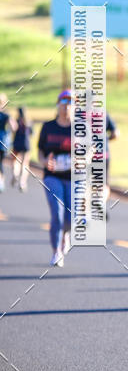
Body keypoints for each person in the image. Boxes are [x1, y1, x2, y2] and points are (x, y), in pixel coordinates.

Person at [38, 89, 72, 267]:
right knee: (57, 215)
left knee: (70, 218)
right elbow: (40, 151)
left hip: (75, 178)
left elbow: (90, 151)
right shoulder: (48, 126)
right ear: (58, 105)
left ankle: (65, 234)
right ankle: (56, 251)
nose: (66, 107)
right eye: (63, 103)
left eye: (70, 103)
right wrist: (45, 162)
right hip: (52, 177)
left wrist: (82, 159)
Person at [11, 106, 33, 191]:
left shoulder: (16, 121)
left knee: (15, 161)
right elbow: (32, 133)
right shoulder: (29, 122)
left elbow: (12, 130)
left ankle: (15, 174)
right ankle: (22, 182)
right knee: (25, 164)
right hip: (26, 144)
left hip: (17, 143)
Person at [0, 94, 16, 193]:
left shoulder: (6, 116)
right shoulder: (6, 115)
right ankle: (1, 181)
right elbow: (14, 127)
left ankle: (1, 181)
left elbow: (13, 126)